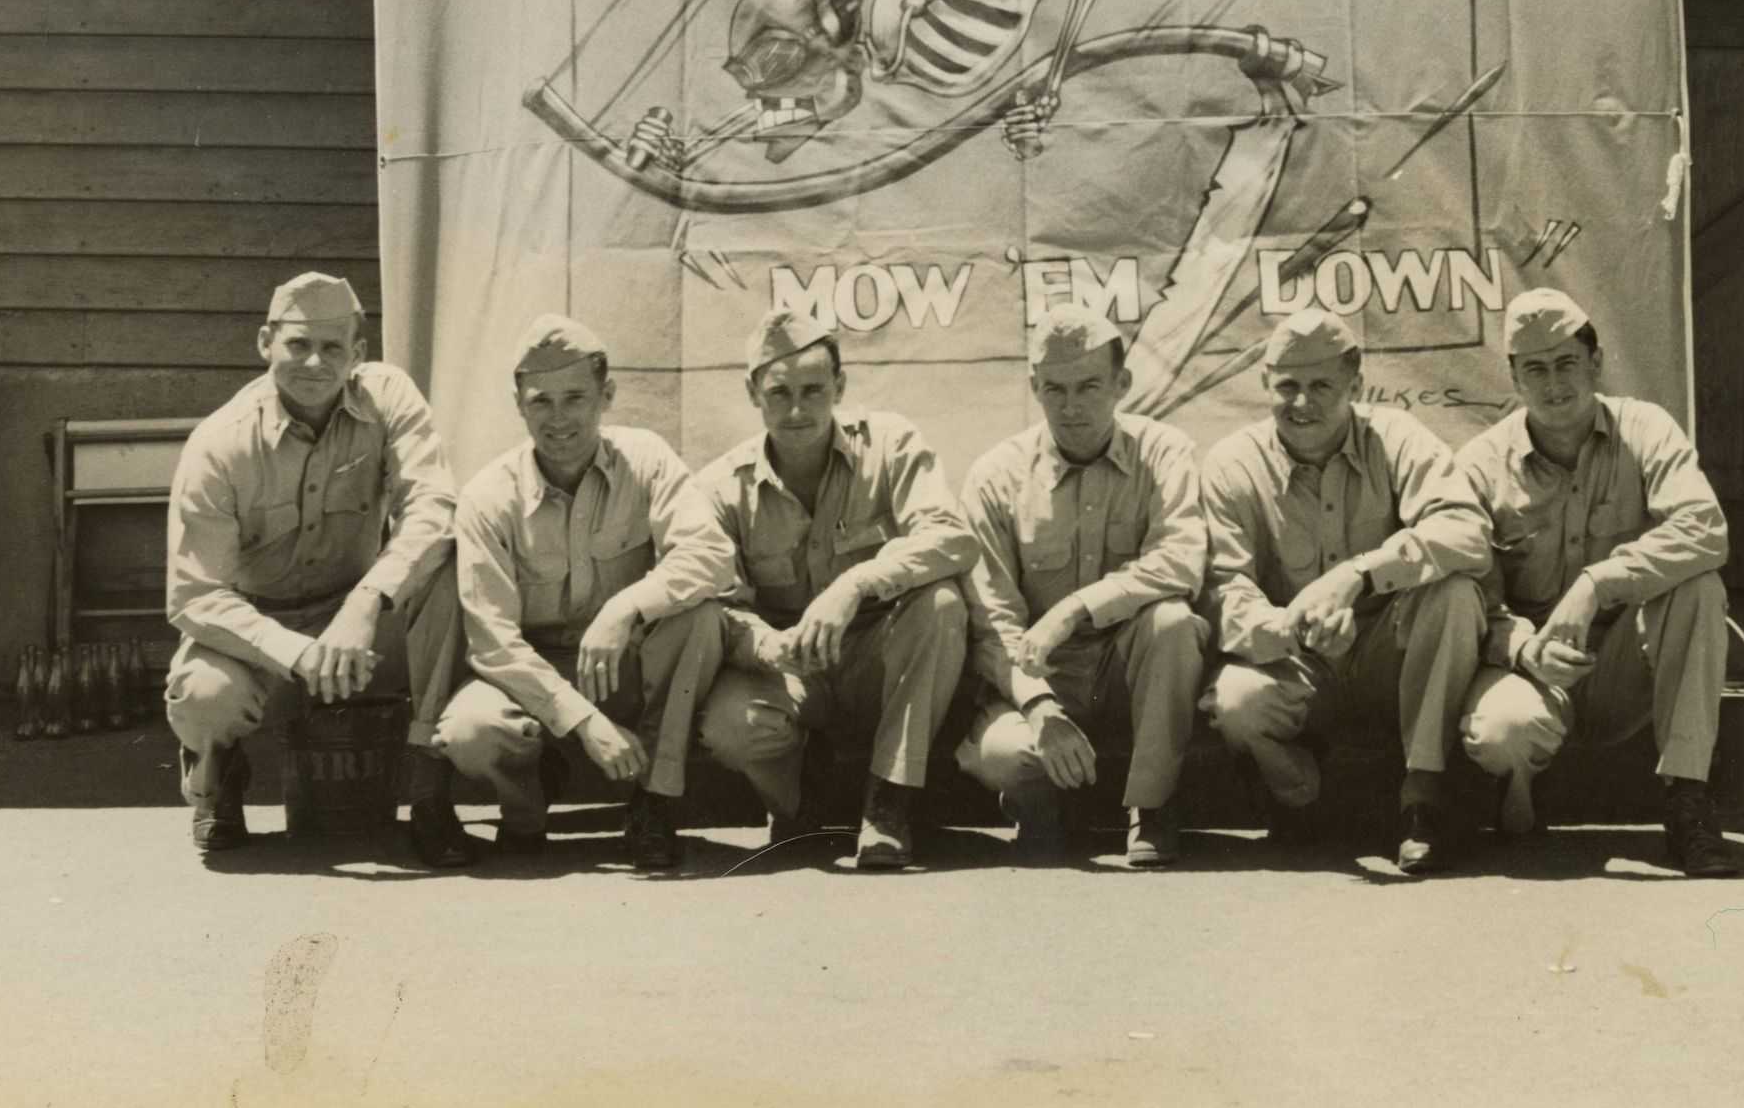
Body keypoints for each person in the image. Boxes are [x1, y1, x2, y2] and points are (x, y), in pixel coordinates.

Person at [163, 272, 467, 864]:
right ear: (264, 344)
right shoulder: (219, 444)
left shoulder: (388, 397)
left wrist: (366, 602)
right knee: (202, 696)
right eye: (297, 345)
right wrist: (296, 653)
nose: (314, 363)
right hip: (258, 632)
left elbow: (432, 508)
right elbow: (194, 596)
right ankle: (217, 788)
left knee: (450, 571)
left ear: (358, 355)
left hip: (359, 623)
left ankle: (432, 789)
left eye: (332, 348)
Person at [1453, 288, 1740, 878]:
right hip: (1530, 667)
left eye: (1567, 365)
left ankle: (1687, 802)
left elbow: (1706, 529)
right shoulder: (1480, 464)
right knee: (1503, 734)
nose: (1554, 385)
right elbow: (1470, 587)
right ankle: (1517, 787)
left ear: (1597, 362)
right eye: (1535, 370)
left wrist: (1597, 583)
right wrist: (1525, 649)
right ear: (1513, 377)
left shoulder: (1645, 427)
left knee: (1699, 587)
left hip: (1623, 662)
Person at [429, 316, 730, 873]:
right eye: (541, 402)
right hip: (531, 678)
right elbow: (493, 644)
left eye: (577, 398)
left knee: (701, 617)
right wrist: (584, 721)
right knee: (471, 732)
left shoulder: (647, 459)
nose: (559, 418)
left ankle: (656, 802)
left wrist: (625, 607)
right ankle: (526, 808)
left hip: (625, 669)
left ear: (607, 396)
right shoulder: (489, 497)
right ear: (518, 404)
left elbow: (711, 555)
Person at [1200, 308, 1491, 873]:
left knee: (1454, 593)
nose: (1302, 403)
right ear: (1265, 384)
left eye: (1321, 386)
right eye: (1287, 386)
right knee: (1236, 701)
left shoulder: (1397, 437)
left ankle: (1423, 797)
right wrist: (1291, 625)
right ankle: (1295, 795)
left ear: (1355, 385)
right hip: (1299, 660)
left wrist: (1358, 575)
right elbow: (1222, 587)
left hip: (1390, 655)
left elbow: (1466, 531)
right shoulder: (1233, 464)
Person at [686, 305, 974, 869]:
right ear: (753, 394)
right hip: (789, 666)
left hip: (877, 658)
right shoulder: (721, 488)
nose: (797, 410)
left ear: (839, 387)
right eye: (780, 393)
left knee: (941, 604)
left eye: (814, 390)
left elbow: (953, 537)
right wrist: (767, 645)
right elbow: (719, 603)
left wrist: (857, 585)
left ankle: (888, 801)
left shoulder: (890, 444)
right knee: (729, 725)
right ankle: (797, 805)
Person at [954, 304, 1209, 867]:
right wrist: (1041, 707)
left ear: (1122, 384)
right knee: (1002, 754)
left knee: (1172, 622)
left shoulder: (1164, 452)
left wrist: (1072, 608)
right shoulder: (996, 477)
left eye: (1090, 386)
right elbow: (993, 618)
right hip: (1042, 676)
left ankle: (1153, 807)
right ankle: (1040, 805)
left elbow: (1182, 560)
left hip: (1129, 671)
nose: (1071, 407)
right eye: (1055, 389)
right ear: (1034, 387)